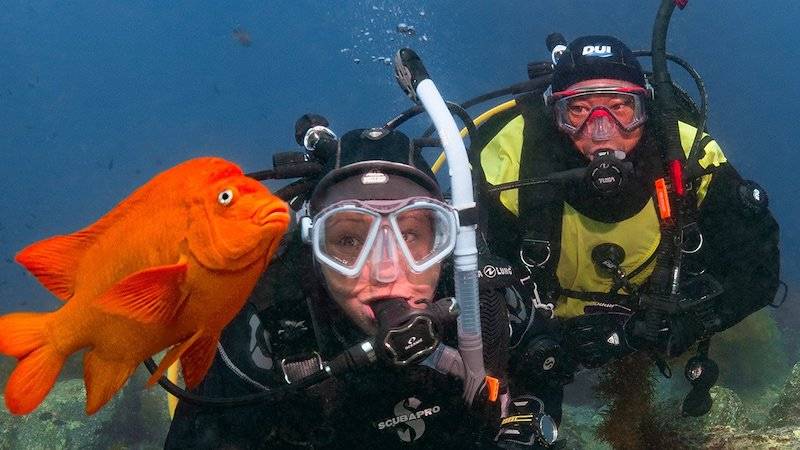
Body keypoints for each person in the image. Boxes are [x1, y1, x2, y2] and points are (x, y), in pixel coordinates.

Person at [164, 126, 557, 449]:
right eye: (350, 241)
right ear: (314, 252)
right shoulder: (268, 326)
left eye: (411, 236)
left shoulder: (485, 300)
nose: (386, 271)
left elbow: (546, 372)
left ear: (447, 242)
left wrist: (527, 416)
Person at [475, 35, 781, 422]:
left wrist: (685, 323)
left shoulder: (689, 157)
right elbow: (466, 279)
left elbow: (757, 268)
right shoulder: (510, 160)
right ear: (555, 114)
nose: (602, 130)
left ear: (646, 108)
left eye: (621, 107)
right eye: (579, 110)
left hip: (655, 320)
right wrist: (526, 337)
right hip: (546, 334)